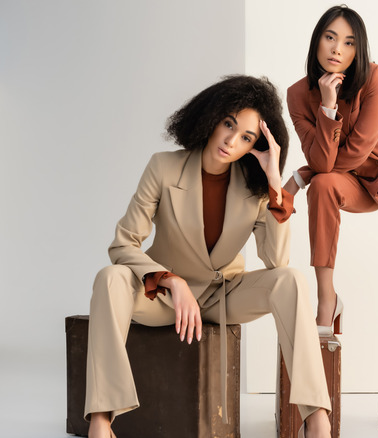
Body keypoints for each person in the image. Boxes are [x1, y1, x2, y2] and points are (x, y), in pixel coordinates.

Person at [85, 75, 331, 438]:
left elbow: (276, 262)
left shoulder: (257, 188)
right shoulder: (163, 167)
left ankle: (316, 420)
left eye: (247, 137)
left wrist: (275, 183)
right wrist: (170, 279)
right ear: (212, 117)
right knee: (109, 277)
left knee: (291, 279)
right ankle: (101, 420)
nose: (232, 141)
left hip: (223, 296)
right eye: (229, 124)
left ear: (255, 145)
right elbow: (123, 245)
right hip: (164, 297)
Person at [283, 5, 378, 427]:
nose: (338, 49)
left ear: (359, 49)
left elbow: (355, 151)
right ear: (317, 41)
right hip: (359, 184)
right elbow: (326, 163)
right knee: (326, 187)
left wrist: (301, 174)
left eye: (349, 42)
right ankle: (327, 297)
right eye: (330, 37)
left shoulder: (374, 78)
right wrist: (327, 106)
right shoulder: (299, 94)